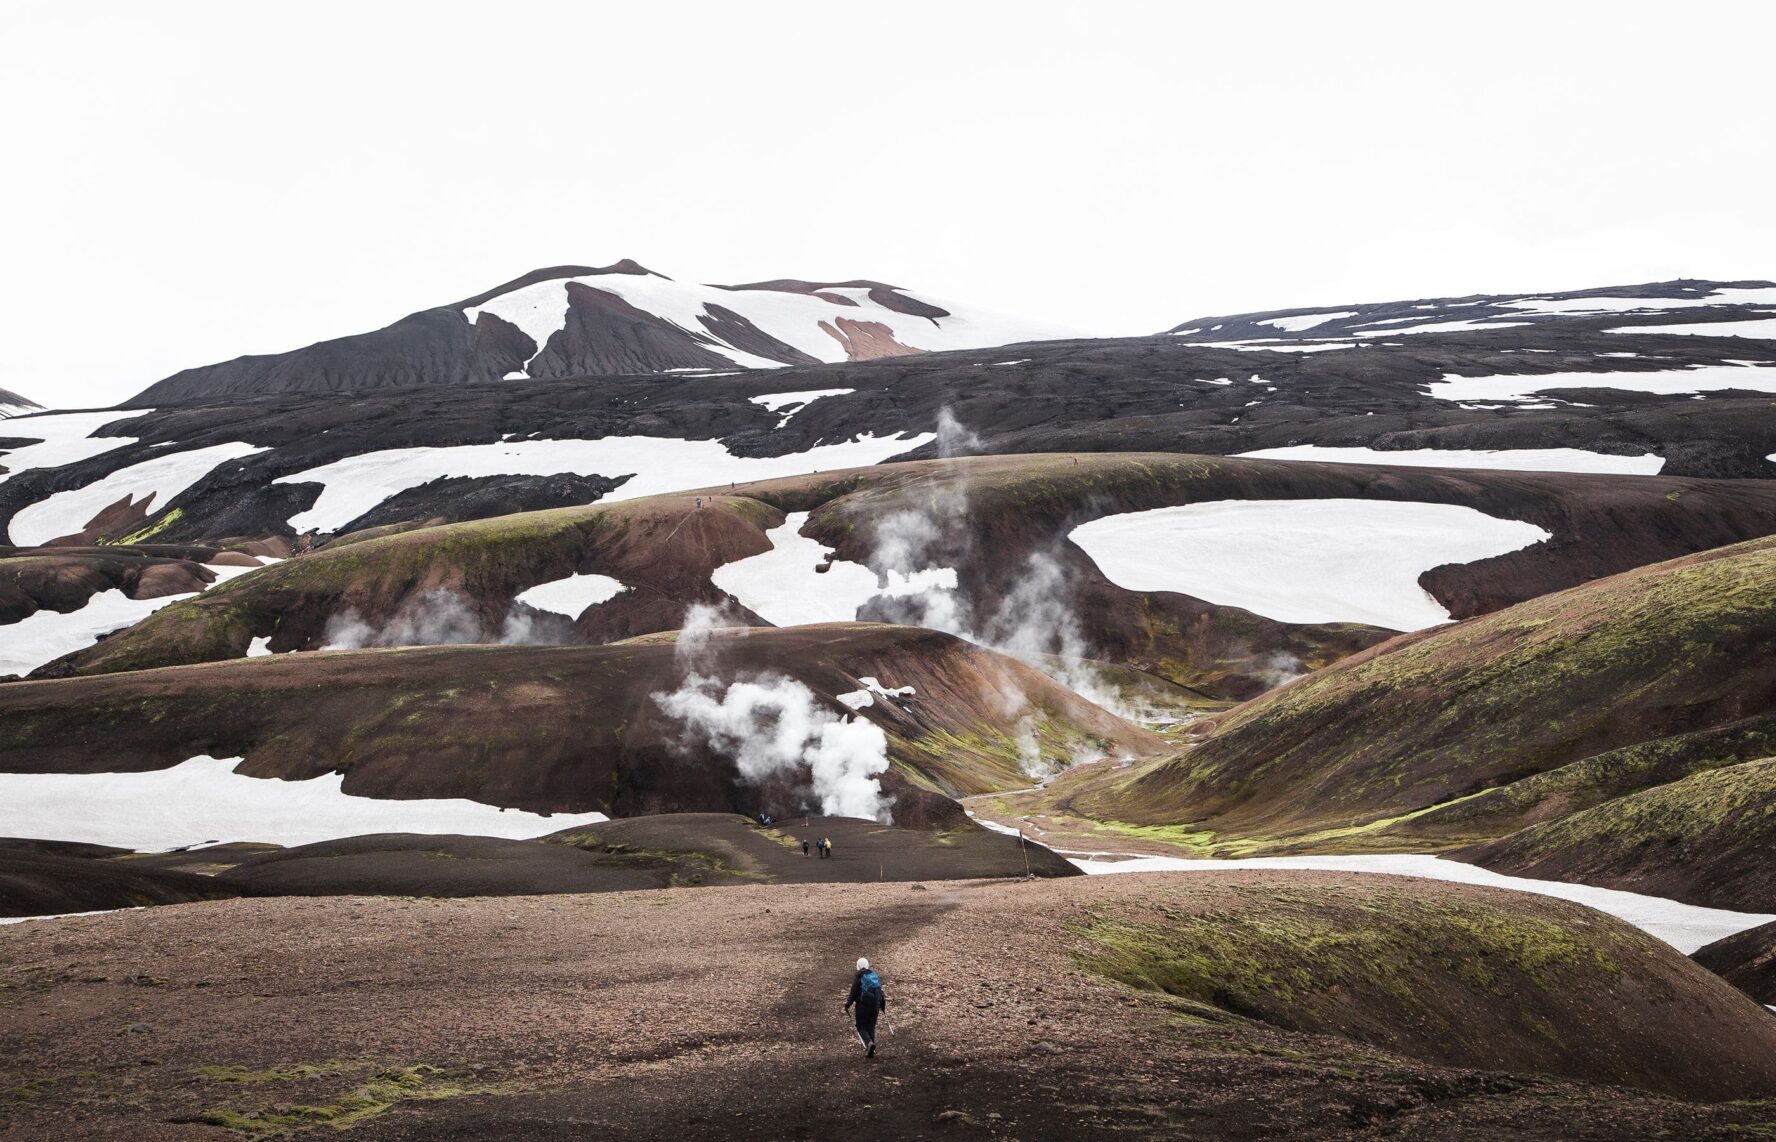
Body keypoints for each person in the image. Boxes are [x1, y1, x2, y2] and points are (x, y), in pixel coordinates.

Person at [845, 957, 887, 1057]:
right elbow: (880, 991)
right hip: (875, 1006)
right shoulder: (874, 975)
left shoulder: (859, 976)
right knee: (871, 1027)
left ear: (858, 966)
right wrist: (882, 1005)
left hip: (862, 1006)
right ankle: (871, 1051)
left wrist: (848, 1004)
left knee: (861, 1026)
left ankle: (869, 1043)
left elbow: (853, 992)